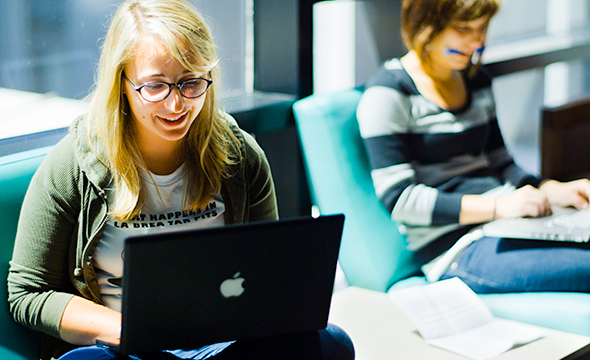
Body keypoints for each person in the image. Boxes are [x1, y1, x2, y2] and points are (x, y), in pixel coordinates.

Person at [7, 1, 355, 359]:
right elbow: (28, 293)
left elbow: (264, 276)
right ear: (122, 83)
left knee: (331, 343)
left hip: (222, 344)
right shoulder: (73, 165)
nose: (176, 105)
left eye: (191, 83)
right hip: (122, 349)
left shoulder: (241, 158)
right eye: (155, 87)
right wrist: (131, 330)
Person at [357, 0, 590, 293]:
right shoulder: (388, 94)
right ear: (426, 25)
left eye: (481, 29)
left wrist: (548, 188)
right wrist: (496, 207)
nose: (477, 41)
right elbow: (400, 199)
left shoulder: (475, 80)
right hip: (455, 248)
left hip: (507, 222)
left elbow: (500, 160)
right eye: (463, 29)